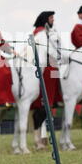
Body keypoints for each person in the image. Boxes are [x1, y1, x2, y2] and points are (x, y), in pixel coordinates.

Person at [31, 11, 63, 149]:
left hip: (52, 66)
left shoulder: (48, 31)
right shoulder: (40, 32)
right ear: (45, 20)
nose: (53, 20)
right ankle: (37, 139)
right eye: (51, 18)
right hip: (46, 70)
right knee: (43, 107)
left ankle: (58, 99)